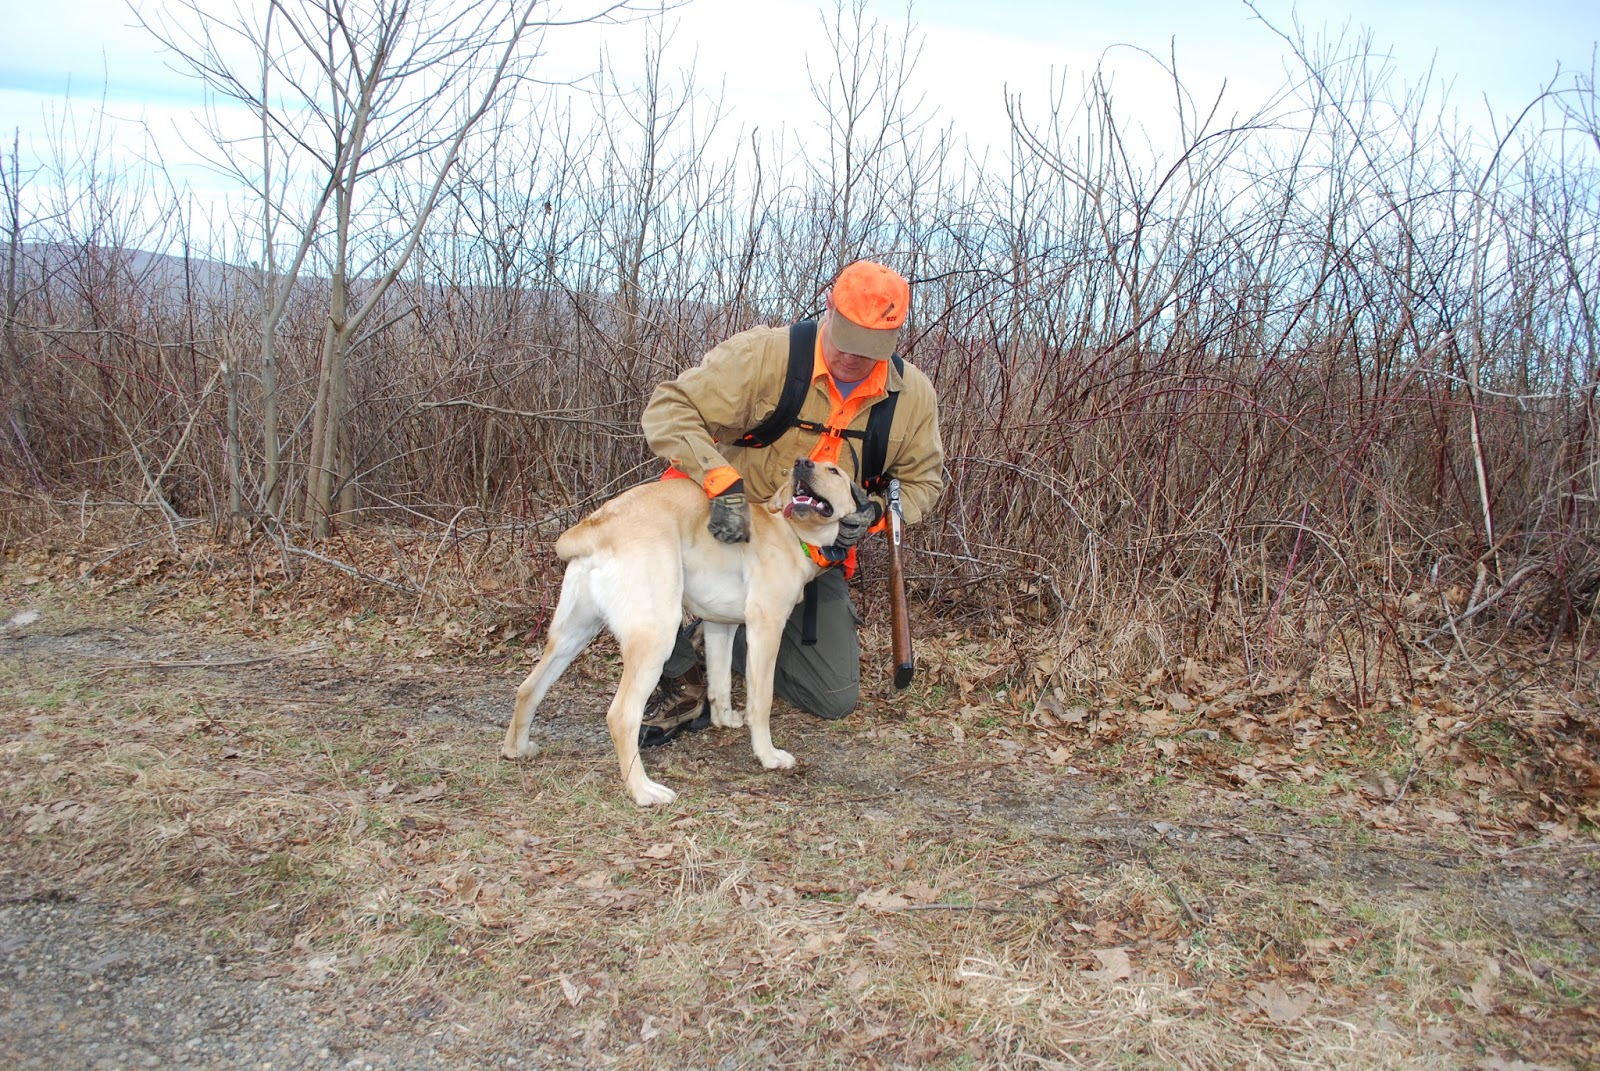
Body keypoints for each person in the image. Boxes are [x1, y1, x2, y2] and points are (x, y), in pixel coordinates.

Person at [636, 259, 944, 745]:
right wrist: (722, 482)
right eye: (845, 340)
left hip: (809, 555)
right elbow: (669, 409)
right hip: (729, 522)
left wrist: (877, 518)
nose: (852, 357)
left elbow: (923, 482)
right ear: (828, 308)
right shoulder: (766, 356)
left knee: (833, 696)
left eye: (869, 350)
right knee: (654, 559)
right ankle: (682, 672)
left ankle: (727, 629)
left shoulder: (912, 397)